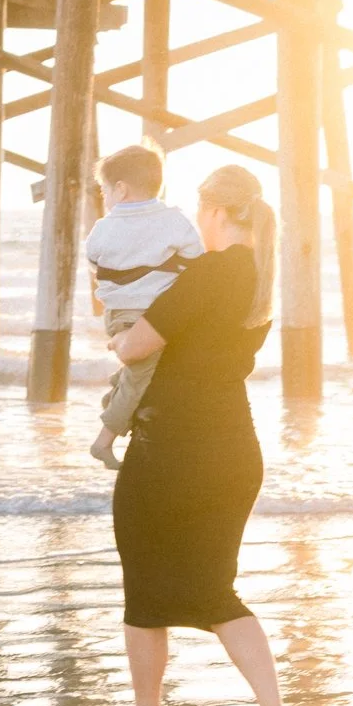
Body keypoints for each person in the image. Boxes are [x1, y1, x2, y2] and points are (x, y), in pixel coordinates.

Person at [95, 164, 296, 706]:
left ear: (213, 212)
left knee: (144, 587)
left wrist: (118, 325)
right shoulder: (259, 281)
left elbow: (133, 347)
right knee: (214, 592)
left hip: (173, 451)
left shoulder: (211, 271)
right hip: (235, 450)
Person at [83, 144, 205, 470]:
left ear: (121, 189)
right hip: (151, 315)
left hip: (117, 314)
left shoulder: (103, 227)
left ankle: (115, 397)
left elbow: (93, 259)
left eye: (104, 190)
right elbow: (197, 261)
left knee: (138, 372)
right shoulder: (174, 220)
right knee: (140, 377)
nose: (104, 198)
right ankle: (103, 441)